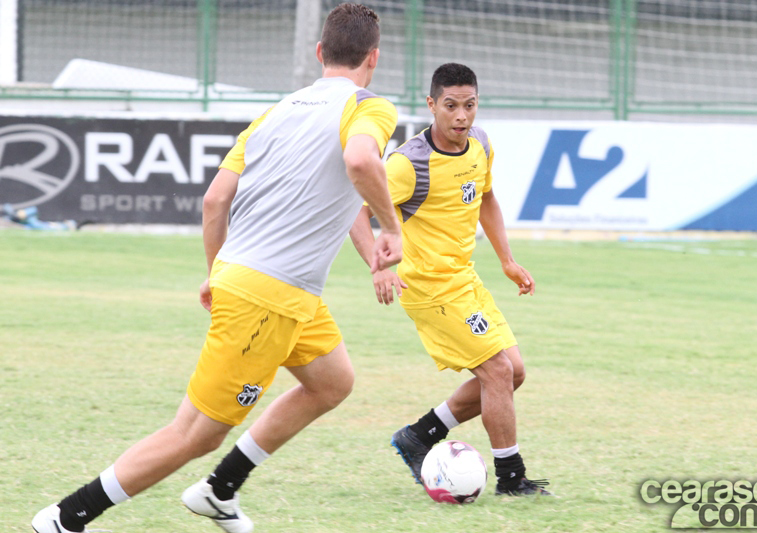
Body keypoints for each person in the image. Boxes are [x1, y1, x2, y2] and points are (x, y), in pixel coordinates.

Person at [32, 4, 402, 533]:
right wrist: (392, 227)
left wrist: (215, 271)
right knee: (195, 433)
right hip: (268, 296)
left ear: (320, 53)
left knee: (332, 382)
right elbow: (362, 163)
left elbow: (214, 201)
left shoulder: (275, 112)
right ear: (374, 58)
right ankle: (66, 518)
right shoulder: (370, 106)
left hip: (274, 287)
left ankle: (218, 490)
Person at [349, 63, 551, 497]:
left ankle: (419, 436)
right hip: (427, 287)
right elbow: (354, 212)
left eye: (470, 105)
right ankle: (511, 479)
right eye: (451, 106)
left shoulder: (480, 144)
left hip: (464, 279)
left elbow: (487, 198)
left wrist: (507, 261)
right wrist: (377, 265)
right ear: (431, 105)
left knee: (513, 372)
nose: (462, 116)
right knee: (496, 370)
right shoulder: (408, 163)